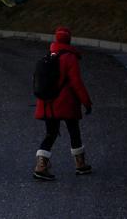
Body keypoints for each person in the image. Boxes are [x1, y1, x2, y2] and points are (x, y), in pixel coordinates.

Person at [34, 27, 92, 181]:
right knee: (74, 132)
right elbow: (76, 83)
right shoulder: (69, 58)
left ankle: (41, 166)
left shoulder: (49, 55)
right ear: (69, 40)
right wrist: (87, 102)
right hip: (66, 102)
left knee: (50, 133)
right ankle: (80, 164)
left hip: (47, 102)